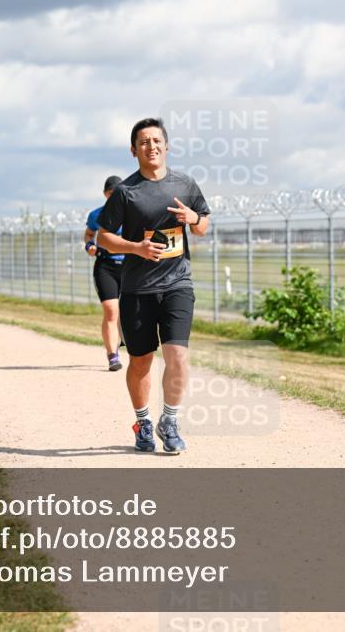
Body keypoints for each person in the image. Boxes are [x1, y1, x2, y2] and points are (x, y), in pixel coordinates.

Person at [97, 118, 210, 454]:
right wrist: (136, 248)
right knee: (142, 361)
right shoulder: (126, 192)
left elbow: (203, 225)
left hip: (178, 283)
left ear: (167, 145)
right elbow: (104, 236)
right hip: (137, 288)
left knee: (178, 356)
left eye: (157, 140)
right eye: (143, 142)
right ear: (134, 150)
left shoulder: (185, 183)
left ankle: (170, 420)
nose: (151, 146)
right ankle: (143, 421)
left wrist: (194, 220)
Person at [85, 175, 127, 372]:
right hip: (105, 266)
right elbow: (88, 234)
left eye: (118, 193)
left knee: (126, 311)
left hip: (129, 266)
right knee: (111, 311)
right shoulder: (97, 215)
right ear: (105, 194)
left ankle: (122, 339)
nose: (114, 197)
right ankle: (112, 356)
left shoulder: (131, 213)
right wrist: (89, 245)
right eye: (111, 193)